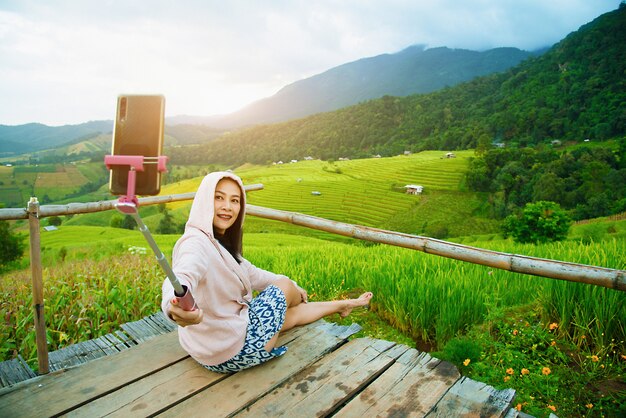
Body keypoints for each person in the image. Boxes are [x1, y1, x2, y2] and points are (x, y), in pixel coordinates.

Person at [162, 171, 373, 373]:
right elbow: (181, 276)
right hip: (237, 351)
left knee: (286, 303)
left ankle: (343, 305)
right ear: (204, 199)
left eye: (235, 201)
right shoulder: (195, 243)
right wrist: (174, 306)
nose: (227, 207)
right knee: (284, 286)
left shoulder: (217, 243)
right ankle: (312, 302)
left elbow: (254, 274)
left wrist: (292, 286)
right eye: (219, 198)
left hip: (209, 352)